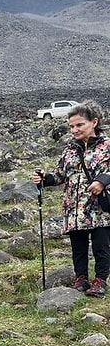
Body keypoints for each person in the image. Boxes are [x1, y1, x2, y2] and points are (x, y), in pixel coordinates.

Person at [33, 100, 110, 298]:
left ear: (94, 122)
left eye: (79, 125)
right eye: (72, 126)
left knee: (101, 246)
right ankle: (81, 279)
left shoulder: (107, 145)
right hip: (75, 209)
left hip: (99, 207)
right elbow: (60, 175)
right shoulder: (69, 149)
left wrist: (103, 181)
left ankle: (101, 281)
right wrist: (44, 179)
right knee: (78, 247)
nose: (75, 130)